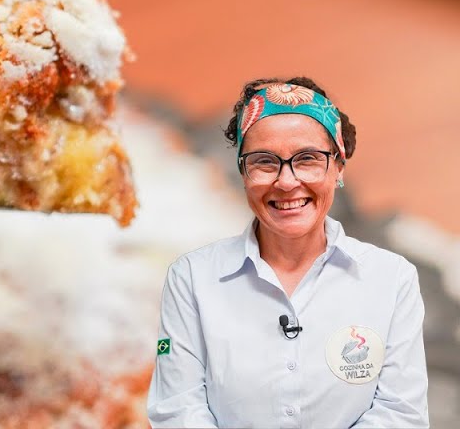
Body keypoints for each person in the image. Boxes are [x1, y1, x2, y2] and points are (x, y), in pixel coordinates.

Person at [147, 77, 429, 427]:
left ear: (338, 167)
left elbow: (401, 413)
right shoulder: (191, 277)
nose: (286, 181)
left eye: (307, 159)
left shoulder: (392, 278)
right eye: (264, 162)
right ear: (243, 172)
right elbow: (176, 408)